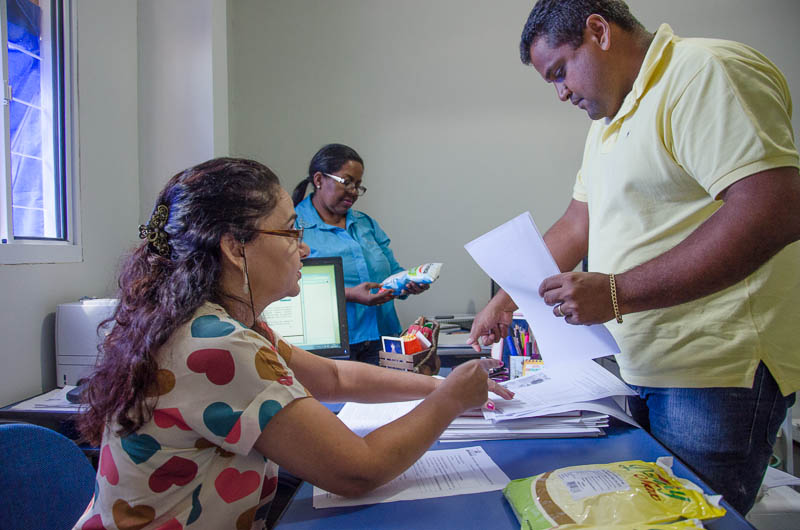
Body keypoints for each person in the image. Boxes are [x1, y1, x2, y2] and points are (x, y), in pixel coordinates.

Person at [467, 0, 800, 515]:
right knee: (645, 519)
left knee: (690, 521)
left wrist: (618, 292)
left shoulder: (704, 73)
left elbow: (774, 208)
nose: (561, 93)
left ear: (598, 31)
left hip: (712, 372)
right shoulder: (608, 120)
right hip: (639, 364)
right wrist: (509, 297)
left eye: (560, 72)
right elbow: (579, 224)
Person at [74, 157, 511, 529]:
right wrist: (450, 401)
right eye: (289, 233)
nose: (302, 249)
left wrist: (440, 387)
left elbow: (335, 376)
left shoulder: (220, 322)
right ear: (235, 247)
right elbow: (359, 470)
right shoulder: (213, 343)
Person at [292, 144, 429, 365]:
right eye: (346, 182)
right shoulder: (294, 225)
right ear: (319, 180)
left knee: (391, 400)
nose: (354, 192)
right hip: (332, 347)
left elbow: (392, 271)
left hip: (383, 341)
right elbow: (288, 288)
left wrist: (409, 282)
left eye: (358, 185)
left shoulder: (365, 224)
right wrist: (349, 294)